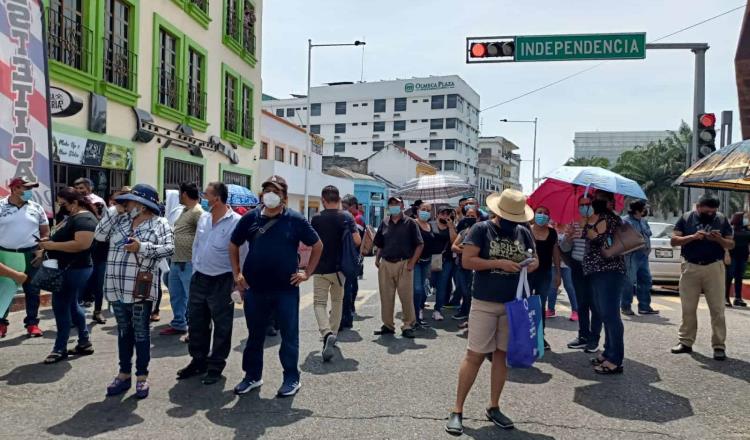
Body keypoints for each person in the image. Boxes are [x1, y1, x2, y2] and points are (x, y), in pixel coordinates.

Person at [445, 189, 537, 436]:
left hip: (513, 304)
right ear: (498, 212)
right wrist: (498, 263)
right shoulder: (481, 230)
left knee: (501, 356)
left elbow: (535, 259)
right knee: (474, 355)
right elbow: (468, 261)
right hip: (485, 301)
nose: (512, 223)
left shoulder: (524, 232)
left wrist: (529, 264)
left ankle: (494, 406)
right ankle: (457, 410)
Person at [230, 175, 323, 397]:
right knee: (254, 335)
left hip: (285, 290)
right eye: (267, 190)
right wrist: (237, 273)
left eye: (276, 191)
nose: (270, 195)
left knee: (289, 336)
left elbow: (317, 245)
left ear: (284, 197)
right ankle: (252, 376)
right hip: (255, 289)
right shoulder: (250, 218)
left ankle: (291, 377)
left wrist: (307, 272)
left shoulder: (296, 219)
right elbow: (234, 244)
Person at [95, 184, 174, 399]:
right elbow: (99, 236)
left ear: (142, 204)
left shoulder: (160, 223)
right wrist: (114, 211)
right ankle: (123, 374)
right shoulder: (119, 220)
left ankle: (141, 376)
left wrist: (142, 247)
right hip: (116, 286)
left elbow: (169, 248)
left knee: (141, 333)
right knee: (123, 331)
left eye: (129, 201)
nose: (126, 204)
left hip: (140, 288)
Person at [177, 182, 242, 385]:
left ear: (217, 197)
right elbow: (197, 245)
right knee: (197, 322)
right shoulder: (204, 218)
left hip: (222, 280)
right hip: (200, 277)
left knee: (222, 326)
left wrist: (239, 280)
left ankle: (215, 366)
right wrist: (196, 269)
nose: (204, 196)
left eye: (207, 194)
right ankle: (198, 361)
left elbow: (242, 252)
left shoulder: (236, 222)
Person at [37, 188, 97, 363]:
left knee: (61, 306)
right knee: (71, 305)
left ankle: (59, 348)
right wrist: (46, 248)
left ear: (75, 202)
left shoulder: (85, 219)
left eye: (63, 203)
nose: (60, 206)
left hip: (74, 269)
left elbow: (82, 244)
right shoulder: (73, 217)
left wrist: (52, 247)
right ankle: (84, 342)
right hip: (66, 267)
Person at [671, 194, 733, 361]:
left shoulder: (721, 219)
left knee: (718, 309)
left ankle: (719, 345)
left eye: (713, 212)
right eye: (707, 212)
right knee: (688, 308)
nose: (710, 215)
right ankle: (685, 342)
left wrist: (719, 239)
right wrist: (692, 237)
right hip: (690, 267)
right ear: (698, 207)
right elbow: (674, 241)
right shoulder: (686, 218)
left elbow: (730, 244)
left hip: (714, 267)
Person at [310, 186, 360, 362]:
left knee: (319, 303)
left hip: (320, 268)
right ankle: (333, 334)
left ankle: (326, 333)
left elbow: (310, 243)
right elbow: (357, 240)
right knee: (337, 301)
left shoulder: (316, 218)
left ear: (323, 200)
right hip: (340, 269)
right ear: (338, 199)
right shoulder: (347, 217)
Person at [583, 190, 627, 374]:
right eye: (596, 199)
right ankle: (608, 352)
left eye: (604, 199)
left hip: (610, 271)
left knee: (610, 314)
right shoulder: (594, 218)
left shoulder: (612, 219)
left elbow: (604, 241)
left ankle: (615, 359)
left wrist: (590, 230)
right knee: (602, 312)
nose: (597, 202)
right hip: (596, 271)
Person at [0, 177, 49, 338]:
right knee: (4, 289)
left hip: (31, 254)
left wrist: (41, 250)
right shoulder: (0, 206)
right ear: (14, 189)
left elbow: (45, 232)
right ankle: (1, 322)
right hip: (6, 254)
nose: (29, 192)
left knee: (33, 290)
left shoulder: (37, 208)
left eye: (31, 189)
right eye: (26, 188)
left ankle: (32, 323)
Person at [373, 196, 424, 339]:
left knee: (406, 297)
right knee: (386, 297)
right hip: (386, 263)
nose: (394, 206)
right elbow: (380, 243)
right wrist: (377, 259)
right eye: (391, 204)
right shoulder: (384, 222)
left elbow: (420, 244)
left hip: (404, 263)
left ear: (402, 206)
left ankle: (408, 325)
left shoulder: (411, 223)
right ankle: (388, 325)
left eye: (397, 203)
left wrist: (412, 262)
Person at [561, 194, 602, 353]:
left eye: (587, 204)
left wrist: (588, 229)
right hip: (577, 267)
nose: (584, 207)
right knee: (581, 303)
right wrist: (569, 236)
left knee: (595, 305)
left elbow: (602, 245)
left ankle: (594, 338)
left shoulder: (600, 223)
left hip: (595, 269)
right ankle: (583, 336)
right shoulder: (574, 223)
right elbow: (564, 248)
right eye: (581, 204)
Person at [161, 183, 203, 336]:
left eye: (180, 193)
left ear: (184, 194)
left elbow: (203, 236)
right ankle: (179, 323)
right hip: (176, 260)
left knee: (191, 298)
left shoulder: (197, 212)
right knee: (176, 295)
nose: (178, 196)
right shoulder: (185, 211)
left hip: (188, 262)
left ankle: (195, 329)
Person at [529, 205, 560, 351]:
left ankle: (540, 336)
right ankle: (525, 335)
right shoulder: (526, 230)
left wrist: (558, 273)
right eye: (539, 212)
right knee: (525, 304)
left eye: (546, 213)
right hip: (527, 273)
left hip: (545, 273)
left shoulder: (552, 233)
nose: (542, 215)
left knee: (540, 305)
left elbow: (555, 253)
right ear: (534, 214)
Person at [621, 200, 659, 316]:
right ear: (637, 210)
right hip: (631, 255)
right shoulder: (625, 222)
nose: (646, 210)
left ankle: (644, 306)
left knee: (646, 281)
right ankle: (626, 306)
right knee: (629, 282)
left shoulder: (643, 221)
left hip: (643, 256)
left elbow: (648, 233)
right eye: (644, 208)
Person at [450, 206, 479, 325]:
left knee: (471, 292)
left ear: (478, 218)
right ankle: (464, 312)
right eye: (468, 216)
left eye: (473, 216)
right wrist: (466, 251)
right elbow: (454, 247)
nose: (470, 218)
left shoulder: (481, 231)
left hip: (475, 268)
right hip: (462, 266)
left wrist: (464, 248)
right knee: (464, 290)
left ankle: (470, 316)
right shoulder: (464, 231)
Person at [429, 206, 457, 321]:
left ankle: (437, 310)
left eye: (447, 214)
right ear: (437, 214)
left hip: (446, 261)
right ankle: (419, 307)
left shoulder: (451, 227)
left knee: (442, 285)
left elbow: (454, 242)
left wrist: (451, 227)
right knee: (430, 283)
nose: (445, 216)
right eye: (443, 214)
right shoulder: (431, 225)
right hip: (431, 259)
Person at [340, 195, 364, 328]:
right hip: (350, 256)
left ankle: (348, 310)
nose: (343, 209)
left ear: (353, 206)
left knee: (349, 286)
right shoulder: (351, 218)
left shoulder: (357, 219)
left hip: (352, 256)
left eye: (345, 207)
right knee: (349, 284)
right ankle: (348, 310)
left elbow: (356, 240)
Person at [725, 210, 749, 307]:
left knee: (739, 277)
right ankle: (725, 298)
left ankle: (738, 298)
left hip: (742, 256)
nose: (746, 220)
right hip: (732, 256)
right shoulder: (731, 230)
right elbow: (726, 243)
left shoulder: (746, 230)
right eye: (745, 218)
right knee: (729, 277)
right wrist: (726, 254)